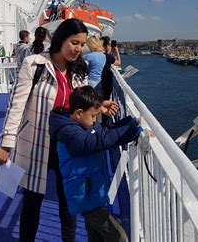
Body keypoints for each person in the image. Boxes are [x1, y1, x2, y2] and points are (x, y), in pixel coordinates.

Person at [0, 19, 118, 242]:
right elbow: (16, 105)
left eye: (81, 44)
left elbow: (80, 102)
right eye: (74, 42)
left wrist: (101, 105)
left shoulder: (79, 69)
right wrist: (5, 143)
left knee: (67, 202)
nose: (78, 49)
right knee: (32, 201)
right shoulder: (35, 64)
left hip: (66, 143)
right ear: (61, 39)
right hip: (35, 142)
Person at [49, 86, 141, 242]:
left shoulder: (82, 126)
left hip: (91, 195)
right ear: (78, 113)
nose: (95, 121)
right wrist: (131, 131)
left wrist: (128, 122)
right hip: (85, 197)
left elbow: (104, 132)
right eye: (93, 116)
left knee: (95, 237)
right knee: (119, 237)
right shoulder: (70, 134)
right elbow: (97, 140)